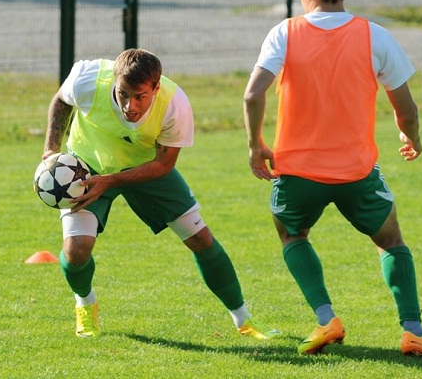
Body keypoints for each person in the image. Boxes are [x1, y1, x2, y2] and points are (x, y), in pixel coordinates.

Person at [243, 0, 422, 356]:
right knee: (390, 240)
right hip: (356, 173)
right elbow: (406, 109)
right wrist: (412, 137)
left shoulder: (284, 33)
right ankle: (413, 332)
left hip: (297, 172)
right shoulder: (375, 36)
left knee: (291, 233)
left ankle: (326, 320)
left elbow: (252, 95)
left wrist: (255, 145)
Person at [42, 47, 280, 340]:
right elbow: (61, 100)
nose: (130, 105)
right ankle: (85, 303)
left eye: (140, 96)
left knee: (200, 238)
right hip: (86, 166)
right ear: (115, 80)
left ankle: (244, 319)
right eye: (123, 94)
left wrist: (112, 180)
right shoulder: (88, 78)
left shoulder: (174, 104)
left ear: (155, 88)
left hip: (146, 167)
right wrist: (51, 149)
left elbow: (164, 164)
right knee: (76, 250)